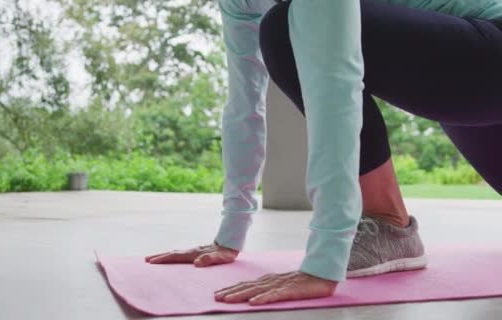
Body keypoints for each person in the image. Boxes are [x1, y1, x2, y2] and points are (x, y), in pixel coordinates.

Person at [145, 0, 502, 306]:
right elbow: (244, 105)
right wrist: (228, 236)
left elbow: (336, 87)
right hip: (468, 91)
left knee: (284, 26)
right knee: (288, 24)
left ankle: (388, 223)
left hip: (487, 49)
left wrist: (323, 262)